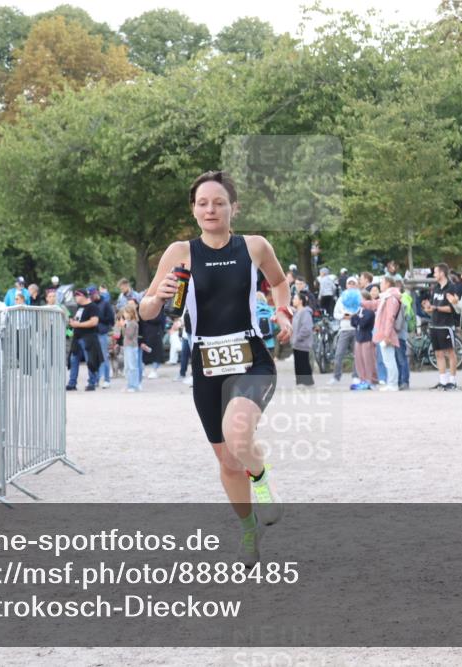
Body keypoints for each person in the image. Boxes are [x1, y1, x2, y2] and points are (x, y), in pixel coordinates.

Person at [139, 170, 291, 564]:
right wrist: (158, 298)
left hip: (251, 358)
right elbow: (146, 308)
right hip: (206, 364)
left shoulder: (254, 246)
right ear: (193, 209)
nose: (211, 209)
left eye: (219, 202)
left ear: (233, 207)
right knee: (227, 461)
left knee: (238, 435)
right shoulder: (179, 253)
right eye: (203, 203)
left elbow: (278, 282)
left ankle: (261, 481)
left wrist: (283, 311)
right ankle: (248, 530)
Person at [421, 263, 461, 390]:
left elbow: (452, 309)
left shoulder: (452, 288)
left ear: (442, 273)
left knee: (450, 353)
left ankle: (452, 381)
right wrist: (428, 307)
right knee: (438, 353)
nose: (434, 274)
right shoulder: (436, 288)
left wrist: (436, 308)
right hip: (435, 324)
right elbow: (433, 308)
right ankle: (443, 381)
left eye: (436, 272)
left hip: (446, 325)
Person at [363, 274, 402, 392]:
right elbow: (373, 304)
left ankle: (393, 384)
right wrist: (360, 302)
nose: (380, 285)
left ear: (388, 284)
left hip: (386, 334)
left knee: (389, 360)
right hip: (384, 332)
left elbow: (390, 317)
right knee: (388, 360)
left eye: (382, 282)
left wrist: (387, 335)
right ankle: (391, 383)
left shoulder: (391, 298)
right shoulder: (386, 297)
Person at [66, 289, 102, 391]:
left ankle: (92, 383)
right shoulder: (79, 307)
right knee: (73, 360)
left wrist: (78, 325)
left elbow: (94, 322)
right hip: (77, 337)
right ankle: (72, 383)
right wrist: (72, 321)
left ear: (83, 296)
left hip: (88, 337)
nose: (75, 298)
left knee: (90, 360)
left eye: (77, 296)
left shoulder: (93, 307)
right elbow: (78, 319)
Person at [329, 276, 361, 385]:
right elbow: (335, 313)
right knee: (339, 354)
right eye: (349, 283)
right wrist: (343, 316)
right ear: (346, 285)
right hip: (344, 329)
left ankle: (356, 376)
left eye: (353, 283)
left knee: (357, 354)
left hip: (356, 329)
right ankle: (336, 376)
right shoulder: (341, 298)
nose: (351, 285)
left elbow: (362, 311)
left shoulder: (360, 297)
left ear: (356, 285)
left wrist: (354, 316)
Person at [351, 290, 377, 390]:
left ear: (366, 299)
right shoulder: (358, 311)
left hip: (367, 338)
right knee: (359, 360)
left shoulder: (370, 312)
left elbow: (363, 323)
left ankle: (371, 380)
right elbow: (353, 323)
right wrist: (356, 316)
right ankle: (362, 379)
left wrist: (357, 318)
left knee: (368, 360)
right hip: (358, 337)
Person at [291, 291, 315, 386]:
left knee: (304, 364)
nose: (293, 300)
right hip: (296, 344)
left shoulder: (305, 312)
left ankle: (307, 383)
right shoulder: (297, 313)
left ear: (301, 301)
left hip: (303, 343)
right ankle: (300, 382)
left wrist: (298, 338)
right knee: (298, 364)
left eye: (295, 298)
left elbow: (307, 328)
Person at [121, 302, 142, 392]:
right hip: (127, 346)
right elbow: (124, 335)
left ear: (131, 313)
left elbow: (129, 335)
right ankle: (129, 384)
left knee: (132, 366)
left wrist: (124, 326)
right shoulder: (128, 322)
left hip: (132, 347)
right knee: (127, 367)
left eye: (126, 313)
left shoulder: (133, 323)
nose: (124, 315)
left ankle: (134, 385)